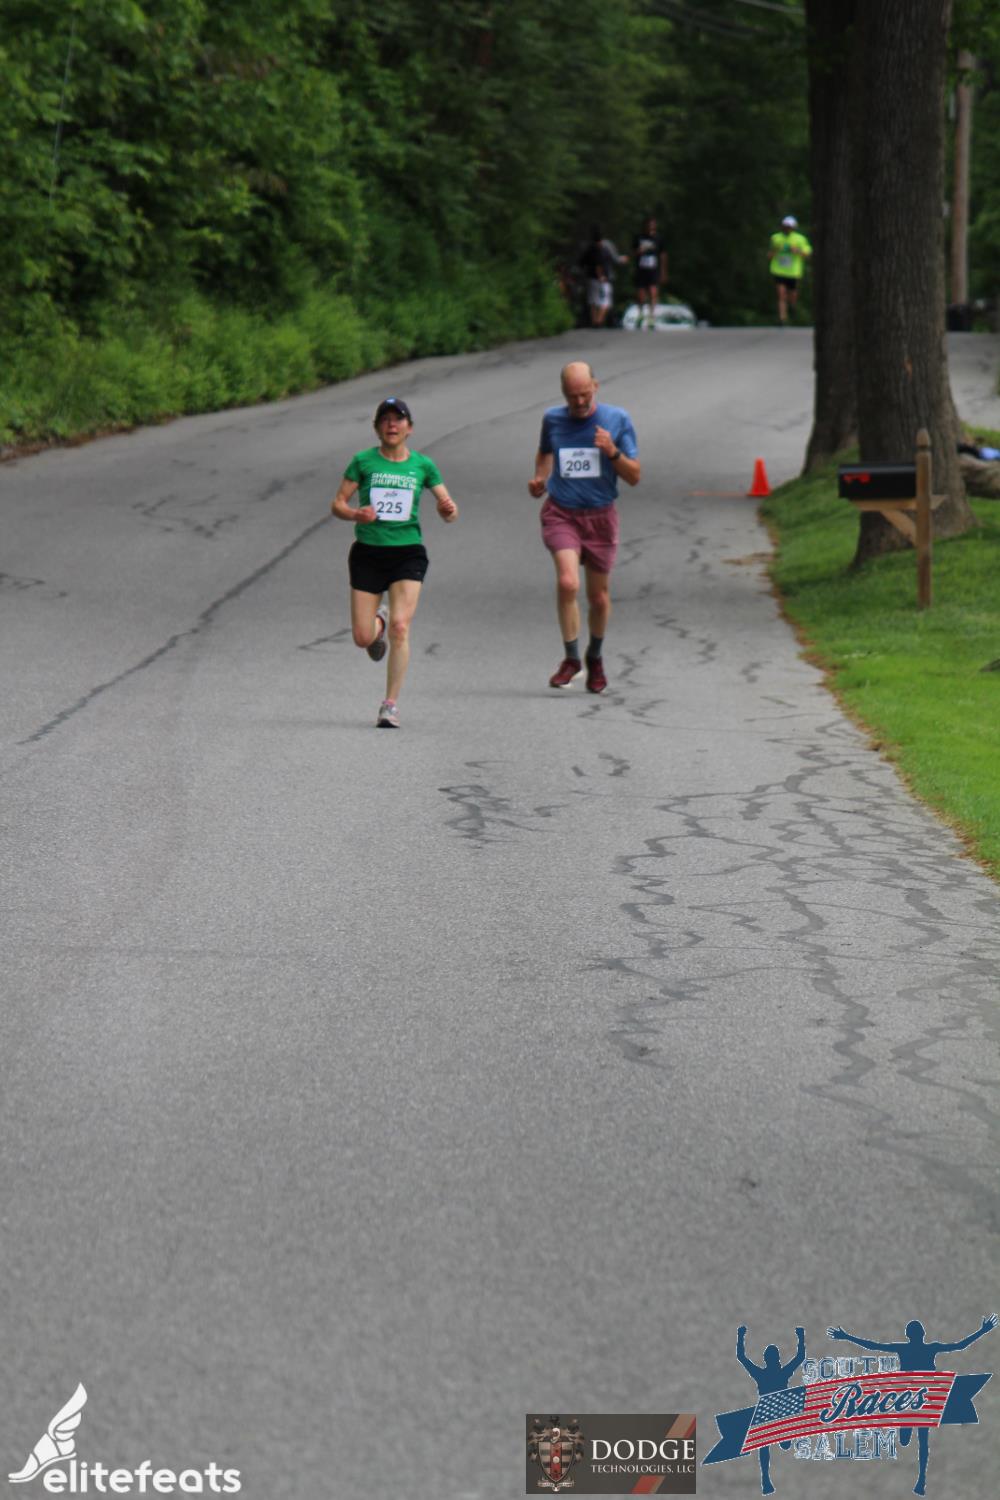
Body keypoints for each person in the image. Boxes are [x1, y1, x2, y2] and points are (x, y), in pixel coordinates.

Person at [330, 396, 458, 728]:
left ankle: (390, 705)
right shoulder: (363, 461)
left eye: (398, 419)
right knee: (362, 637)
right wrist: (355, 514)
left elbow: (449, 509)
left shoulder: (423, 466)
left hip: (407, 552)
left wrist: (446, 509)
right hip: (368, 553)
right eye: (385, 420)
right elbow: (338, 504)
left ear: (409, 428)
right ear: (376, 428)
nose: (391, 424)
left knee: (403, 627)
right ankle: (380, 622)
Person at [527, 362, 640, 693]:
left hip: (601, 517)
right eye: (572, 396)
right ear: (563, 393)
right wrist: (540, 478)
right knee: (567, 582)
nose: (578, 402)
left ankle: (595, 656)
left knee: (599, 598)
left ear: (596, 387)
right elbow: (545, 452)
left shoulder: (617, 419)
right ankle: (572, 657)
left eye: (584, 395)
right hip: (562, 513)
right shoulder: (553, 419)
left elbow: (634, 476)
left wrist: (612, 451)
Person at [827, 1314, 997, 1495]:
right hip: (908, 1397)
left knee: (922, 1440)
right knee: (910, 1439)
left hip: (923, 1398)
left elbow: (874, 1346)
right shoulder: (921, 1348)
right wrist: (982, 1330)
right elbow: (959, 1345)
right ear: (921, 1334)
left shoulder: (923, 1348)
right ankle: (915, 1460)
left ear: (909, 1334)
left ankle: (921, 1479)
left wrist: (847, 1337)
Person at [736, 1326, 806, 1496]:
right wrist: (801, 1337)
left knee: (777, 1444)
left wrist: (741, 1335)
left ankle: (766, 1476)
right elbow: (800, 1357)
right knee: (768, 1444)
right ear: (774, 1360)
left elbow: (742, 1357)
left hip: (773, 1412)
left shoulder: (765, 1374)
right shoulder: (779, 1374)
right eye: (775, 1357)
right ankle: (765, 1478)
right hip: (772, 1412)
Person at [579, 224, 627, 327]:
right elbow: (600, 264)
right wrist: (601, 275)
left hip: (591, 278)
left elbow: (581, 262)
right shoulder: (604, 247)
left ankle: (594, 321)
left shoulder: (588, 248)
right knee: (605, 300)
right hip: (603, 278)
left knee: (593, 300)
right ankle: (598, 321)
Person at [768, 214, 812, 324]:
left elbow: (807, 254)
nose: (787, 229)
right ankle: (782, 318)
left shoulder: (800, 239)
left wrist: (797, 251)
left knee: (792, 295)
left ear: (794, 227)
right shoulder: (776, 238)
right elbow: (769, 255)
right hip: (779, 271)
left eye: (790, 227)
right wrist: (776, 250)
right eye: (786, 226)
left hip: (793, 272)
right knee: (781, 294)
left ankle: (792, 307)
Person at [632, 215, 667, 329]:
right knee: (641, 295)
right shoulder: (638, 237)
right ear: (645, 225)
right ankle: (641, 314)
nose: (650, 227)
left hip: (653, 269)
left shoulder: (658, 238)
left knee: (653, 292)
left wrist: (663, 272)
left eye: (652, 225)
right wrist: (639, 251)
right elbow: (632, 253)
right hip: (641, 269)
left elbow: (663, 255)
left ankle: (651, 317)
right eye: (648, 225)